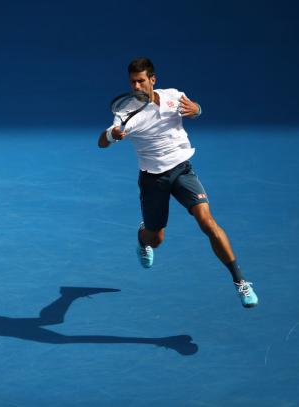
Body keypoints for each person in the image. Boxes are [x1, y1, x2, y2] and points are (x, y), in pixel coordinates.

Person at [98, 57, 258, 308]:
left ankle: (240, 282)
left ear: (153, 79)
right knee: (156, 239)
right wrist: (112, 134)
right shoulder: (126, 111)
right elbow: (102, 142)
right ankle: (143, 238)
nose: (136, 86)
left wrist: (198, 109)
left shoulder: (173, 95)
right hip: (153, 180)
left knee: (208, 222)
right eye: (132, 82)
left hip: (183, 170)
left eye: (141, 81)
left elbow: (195, 109)